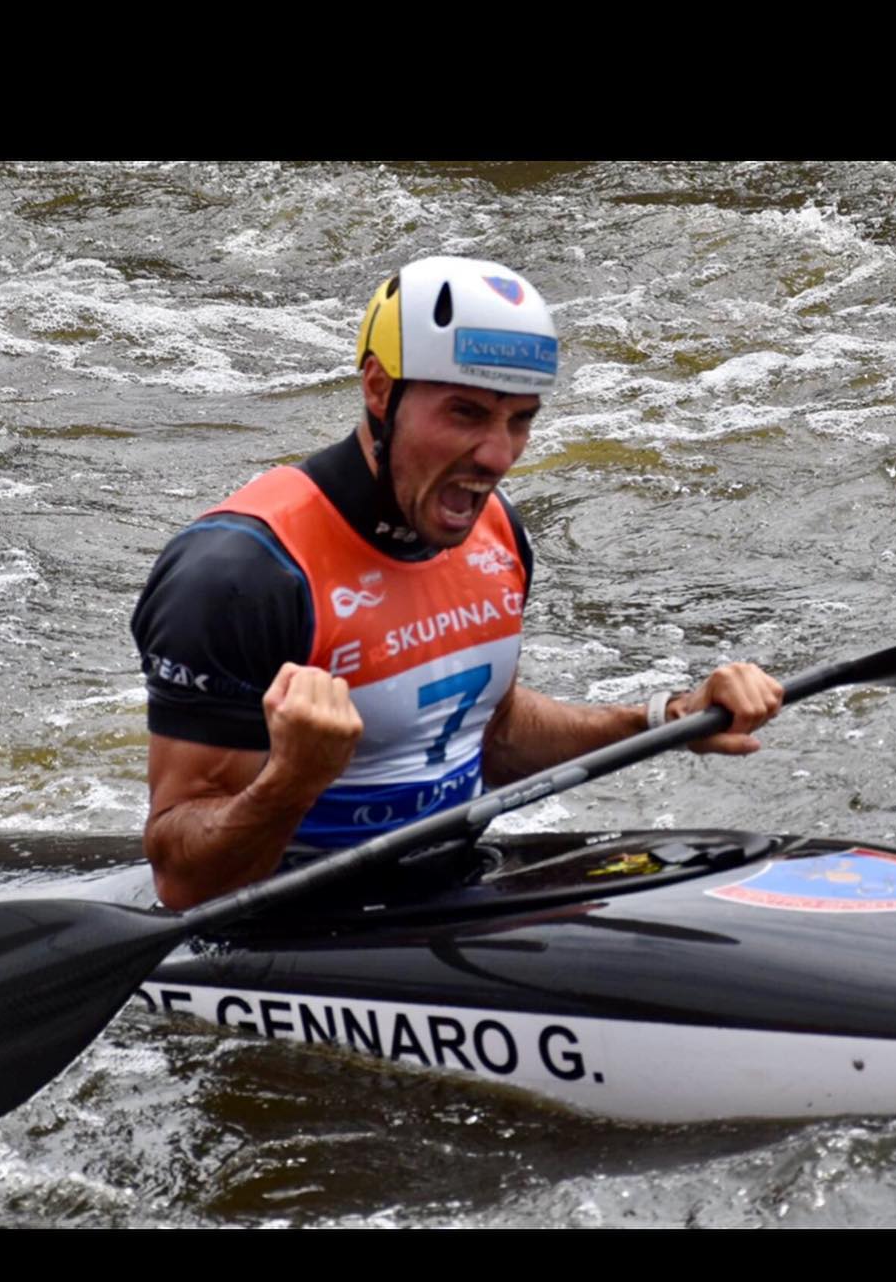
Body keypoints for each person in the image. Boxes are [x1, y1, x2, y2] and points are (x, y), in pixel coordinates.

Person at [132, 256, 782, 910]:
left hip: (451, 881)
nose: (499, 455)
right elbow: (188, 883)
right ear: (381, 390)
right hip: (288, 919)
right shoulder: (242, 575)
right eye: (467, 413)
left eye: (520, 419)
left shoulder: (497, 530)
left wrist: (665, 718)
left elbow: (490, 733)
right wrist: (294, 778)